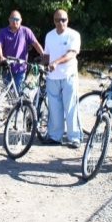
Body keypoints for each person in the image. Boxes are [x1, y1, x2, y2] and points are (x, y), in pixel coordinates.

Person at [43, 9, 82, 148]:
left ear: (68, 20)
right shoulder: (49, 35)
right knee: (54, 108)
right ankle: (55, 136)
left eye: (63, 20)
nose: (61, 23)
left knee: (71, 106)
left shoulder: (73, 35)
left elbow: (71, 54)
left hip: (68, 76)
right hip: (52, 77)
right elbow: (46, 55)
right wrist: (42, 64)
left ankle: (74, 137)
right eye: (58, 20)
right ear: (53, 21)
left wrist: (56, 62)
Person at [0, 10, 44, 93]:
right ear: (9, 20)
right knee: (8, 93)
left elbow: (36, 44)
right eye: (13, 19)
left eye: (17, 19)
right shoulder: (3, 32)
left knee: (18, 92)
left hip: (20, 68)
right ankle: (10, 105)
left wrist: (44, 55)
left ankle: (17, 105)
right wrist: (1, 57)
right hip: (7, 67)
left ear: (21, 20)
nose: (15, 21)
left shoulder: (26, 31)